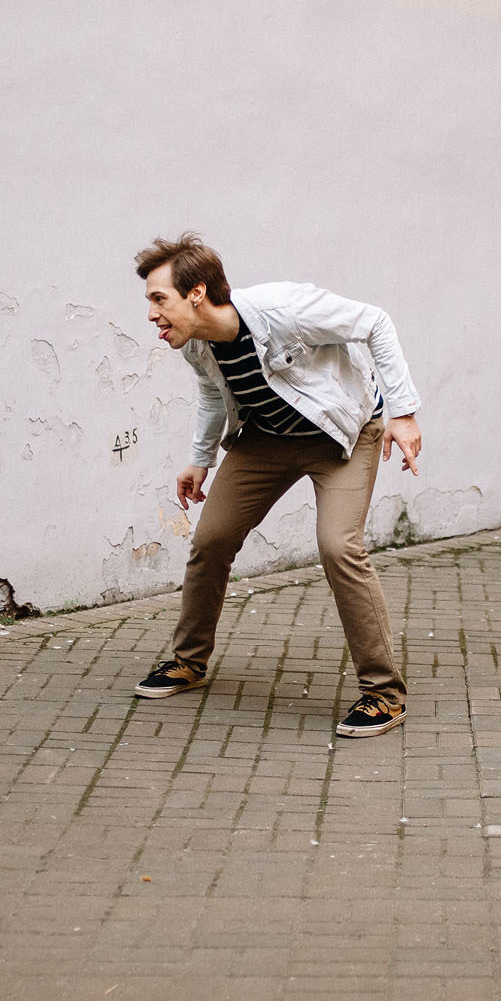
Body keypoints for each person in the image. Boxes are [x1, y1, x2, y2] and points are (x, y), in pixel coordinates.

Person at [133, 234, 423, 737]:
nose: (153, 314)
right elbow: (211, 394)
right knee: (212, 539)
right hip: (266, 440)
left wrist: (404, 412)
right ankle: (188, 661)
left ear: (196, 293)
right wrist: (199, 461)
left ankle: (383, 693)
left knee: (338, 547)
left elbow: (375, 322)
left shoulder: (282, 307)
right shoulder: (196, 345)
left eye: (160, 299)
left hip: (344, 436)